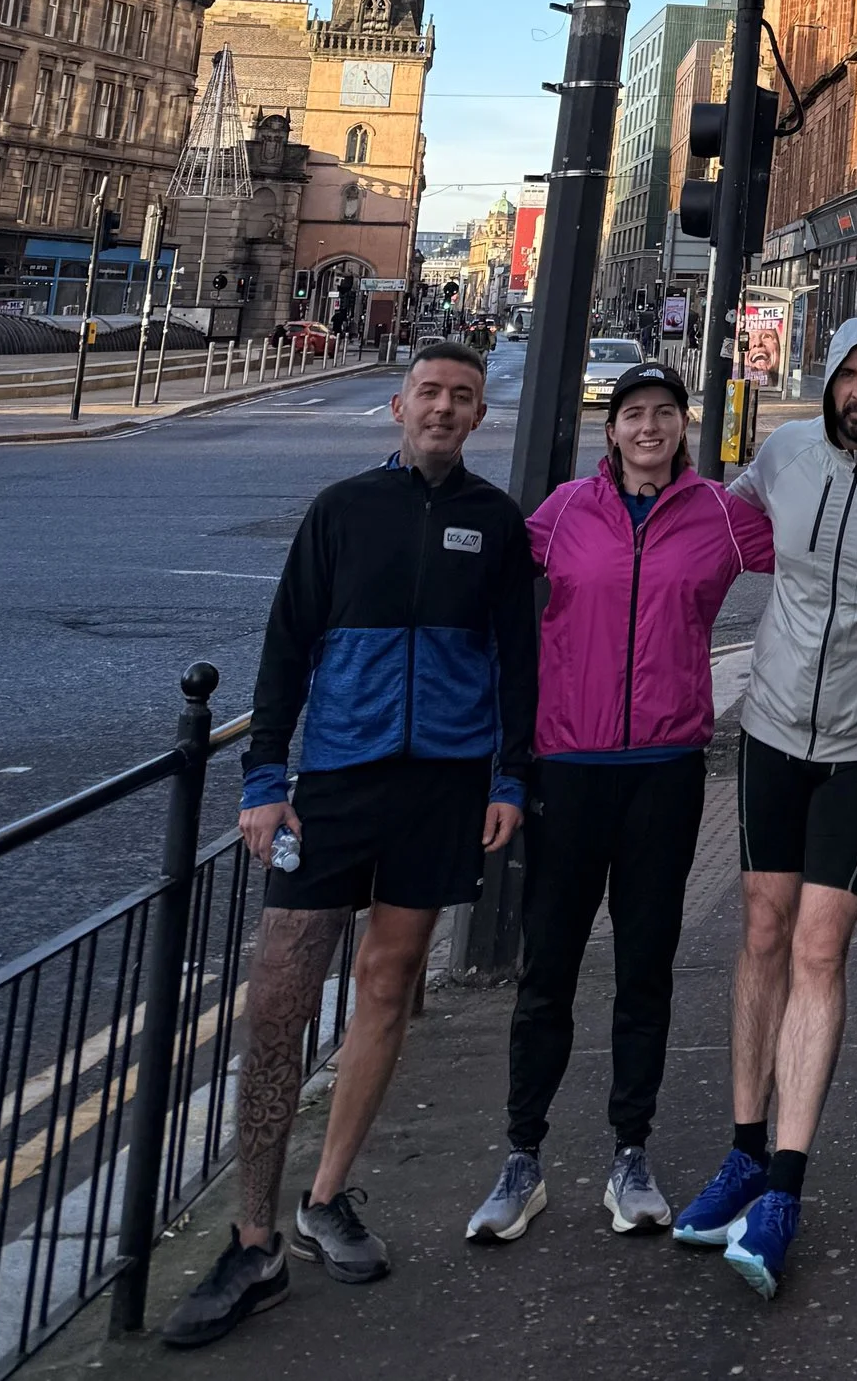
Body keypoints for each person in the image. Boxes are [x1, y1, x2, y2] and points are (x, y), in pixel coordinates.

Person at [161, 342, 536, 1349]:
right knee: (281, 994)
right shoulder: (340, 512)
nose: (446, 409)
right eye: (430, 394)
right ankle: (251, 1235)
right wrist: (261, 777)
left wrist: (508, 778)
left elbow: (516, 659)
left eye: (463, 397)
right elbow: (287, 646)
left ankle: (325, 1198)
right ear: (398, 407)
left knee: (389, 977)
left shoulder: (494, 523)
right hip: (335, 779)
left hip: (444, 784)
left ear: (477, 414)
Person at [672, 315, 857, 1299]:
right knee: (760, 929)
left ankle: (786, 1181)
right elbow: (710, 514)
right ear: (830, 379)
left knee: (820, 949)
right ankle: (744, 1148)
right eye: (851, 373)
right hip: (774, 728)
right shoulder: (784, 451)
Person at [465, 361, 772, 1250]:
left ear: (684, 424)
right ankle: (522, 1157)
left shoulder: (717, 512)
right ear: (612, 431)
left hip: (666, 770)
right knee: (548, 970)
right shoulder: (563, 513)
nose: (649, 428)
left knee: (645, 968)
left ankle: (629, 1153)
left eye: (664, 414)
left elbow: (818, 553)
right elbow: (486, 588)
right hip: (570, 765)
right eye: (634, 414)